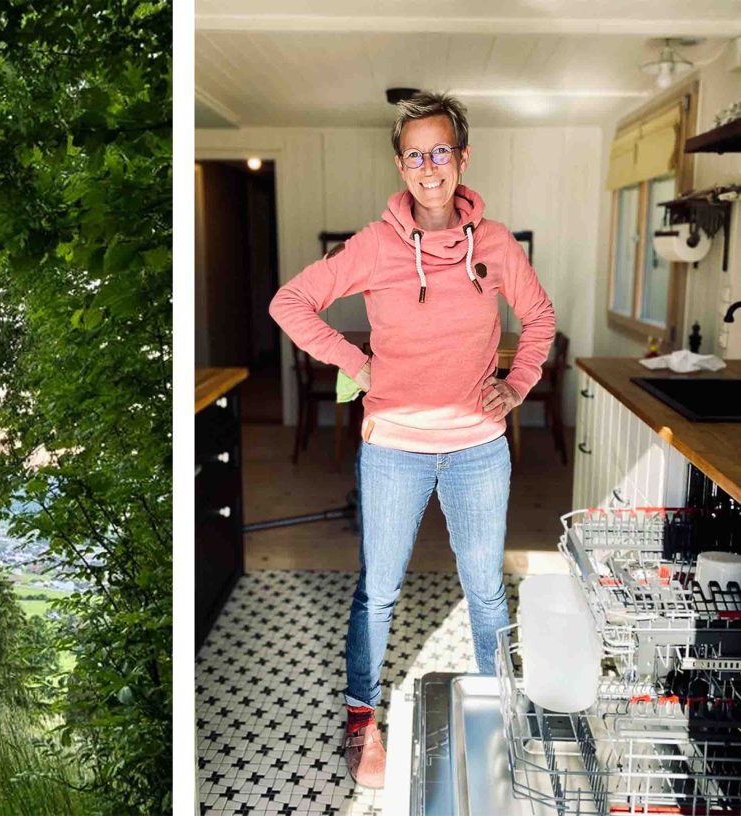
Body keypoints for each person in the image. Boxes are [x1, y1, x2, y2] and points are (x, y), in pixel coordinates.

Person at [268, 91, 556, 789]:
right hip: (394, 446)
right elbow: (290, 303)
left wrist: (516, 385)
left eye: (442, 151)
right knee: (379, 592)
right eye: (416, 154)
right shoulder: (373, 246)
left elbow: (539, 316)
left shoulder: (494, 243)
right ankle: (362, 724)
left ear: (462, 158)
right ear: (401, 164)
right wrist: (360, 366)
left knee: (485, 591)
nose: (430, 167)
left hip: (479, 447)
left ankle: (503, 715)